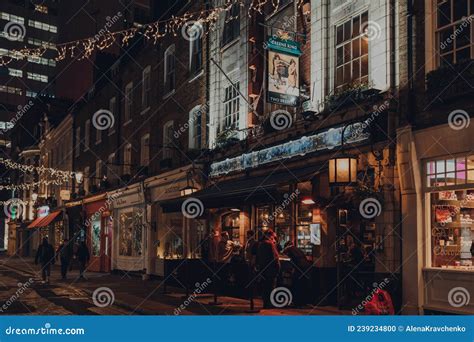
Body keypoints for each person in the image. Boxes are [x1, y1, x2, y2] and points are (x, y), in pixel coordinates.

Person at [256, 229, 281, 308]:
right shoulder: (270, 244)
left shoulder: (260, 244)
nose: (274, 238)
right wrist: (278, 268)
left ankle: (266, 303)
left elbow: (258, 257)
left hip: (263, 269)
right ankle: (270, 304)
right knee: (271, 287)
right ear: (270, 236)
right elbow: (275, 258)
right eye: (273, 236)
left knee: (265, 287)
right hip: (271, 270)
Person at [283, 241, 312, 307]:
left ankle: (297, 302)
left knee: (297, 285)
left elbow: (285, 257)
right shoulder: (298, 249)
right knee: (303, 285)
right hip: (306, 268)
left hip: (299, 269)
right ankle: (303, 302)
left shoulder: (289, 249)